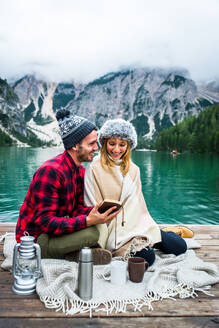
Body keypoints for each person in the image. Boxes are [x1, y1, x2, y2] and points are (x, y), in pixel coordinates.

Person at [16, 109, 120, 264]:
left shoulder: (79, 171)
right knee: (92, 233)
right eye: (91, 143)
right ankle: (81, 254)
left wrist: (94, 212)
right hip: (36, 240)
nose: (97, 148)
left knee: (101, 226)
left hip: (55, 232)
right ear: (74, 146)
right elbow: (45, 222)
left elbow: (75, 210)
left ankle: (82, 253)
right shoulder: (51, 172)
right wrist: (86, 221)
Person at [84, 119, 188, 266]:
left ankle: (161, 234)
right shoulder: (94, 168)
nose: (116, 149)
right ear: (105, 143)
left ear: (128, 146)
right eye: (112, 143)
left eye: (122, 144)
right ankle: (145, 242)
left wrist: (147, 227)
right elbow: (91, 204)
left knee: (180, 247)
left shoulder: (134, 170)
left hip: (136, 224)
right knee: (148, 258)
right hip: (113, 229)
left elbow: (139, 204)